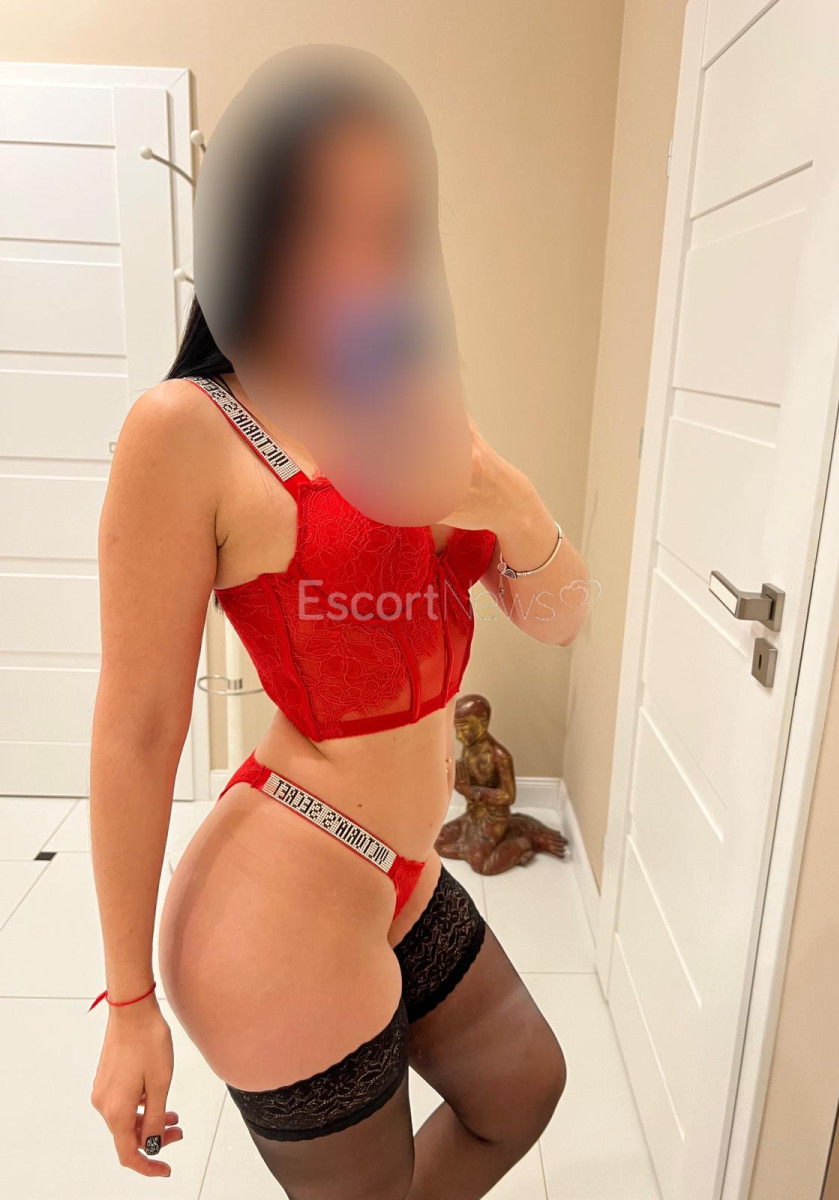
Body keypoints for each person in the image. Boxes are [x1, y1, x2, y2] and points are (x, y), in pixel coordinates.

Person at [88, 47, 589, 1200]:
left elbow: (558, 617)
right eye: (323, 215)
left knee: (524, 1085)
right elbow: (139, 724)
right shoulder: (188, 427)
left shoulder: (404, 398)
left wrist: (512, 502)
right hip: (282, 895)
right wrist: (128, 1005)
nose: (363, 254)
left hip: (404, 874)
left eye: (391, 220)